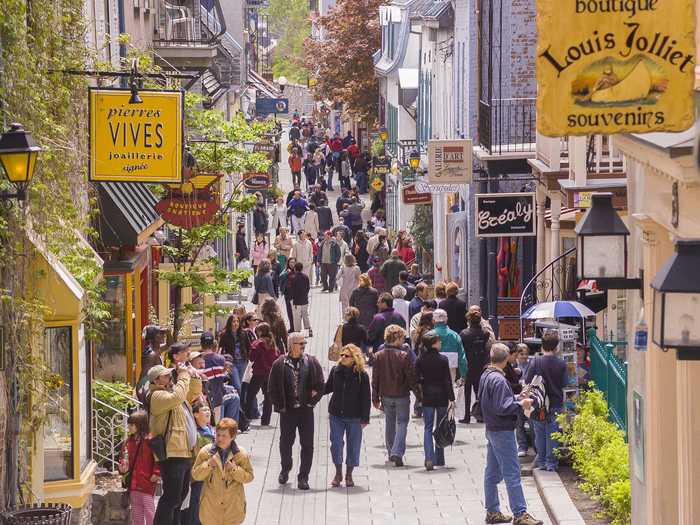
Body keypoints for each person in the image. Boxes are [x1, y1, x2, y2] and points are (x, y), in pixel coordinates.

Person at [479, 344, 542, 525]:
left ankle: (492, 511)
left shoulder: (487, 375)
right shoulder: (499, 380)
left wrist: (516, 397)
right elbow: (502, 407)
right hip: (502, 430)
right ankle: (520, 514)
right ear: (506, 359)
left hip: (492, 428)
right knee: (512, 473)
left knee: (491, 473)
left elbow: (495, 402)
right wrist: (522, 403)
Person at [148, 357, 202, 525]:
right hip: (172, 453)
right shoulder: (157, 396)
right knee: (171, 497)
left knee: (180, 496)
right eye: (165, 375)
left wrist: (193, 377)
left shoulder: (173, 393)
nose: (169, 377)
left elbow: (192, 394)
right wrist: (184, 376)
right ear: (156, 380)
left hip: (185, 451)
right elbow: (179, 395)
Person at [268, 333, 325, 490]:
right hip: (288, 411)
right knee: (285, 443)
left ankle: (303, 477)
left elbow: (320, 384)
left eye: (304, 343)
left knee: (307, 444)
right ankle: (285, 468)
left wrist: (313, 401)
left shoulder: (311, 361)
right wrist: (279, 405)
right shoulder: (280, 363)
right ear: (291, 344)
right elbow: (272, 387)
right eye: (300, 343)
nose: (303, 346)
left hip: (306, 411)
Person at [191, 418, 254, 525]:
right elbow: (195, 475)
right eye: (218, 435)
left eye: (224, 436)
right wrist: (208, 465)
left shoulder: (241, 454)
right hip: (210, 508)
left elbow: (249, 476)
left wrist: (235, 469)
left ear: (233, 437)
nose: (220, 438)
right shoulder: (206, 452)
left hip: (232, 508)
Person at [324, 344, 371, 487]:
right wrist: (313, 390)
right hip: (336, 414)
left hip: (355, 416)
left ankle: (349, 474)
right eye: (342, 355)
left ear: (355, 358)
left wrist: (365, 418)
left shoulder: (362, 375)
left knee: (353, 446)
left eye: (346, 356)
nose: (343, 357)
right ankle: (338, 473)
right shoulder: (335, 371)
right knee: (336, 444)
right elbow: (328, 388)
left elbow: (366, 397)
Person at [371, 325, 417, 467]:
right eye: (402, 338)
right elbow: (411, 377)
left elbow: (375, 378)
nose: (404, 341)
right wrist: (418, 394)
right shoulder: (404, 356)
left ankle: (391, 451)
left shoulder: (378, 355)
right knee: (402, 422)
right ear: (396, 338)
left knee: (389, 422)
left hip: (386, 395)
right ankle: (397, 452)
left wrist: (375, 397)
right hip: (401, 394)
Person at [524, 330, 567, 472]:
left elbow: (527, 380)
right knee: (552, 434)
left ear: (542, 345)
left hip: (538, 404)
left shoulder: (535, 361)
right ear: (556, 347)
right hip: (555, 403)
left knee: (539, 433)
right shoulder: (561, 363)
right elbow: (564, 383)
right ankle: (551, 463)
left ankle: (541, 461)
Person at [415, 331, 455, 470]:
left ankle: (429, 458)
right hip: (442, 395)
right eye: (439, 341)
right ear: (433, 344)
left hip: (427, 396)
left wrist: (421, 389)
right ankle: (439, 458)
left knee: (427, 428)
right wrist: (452, 398)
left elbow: (416, 378)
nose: (441, 343)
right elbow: (447, 380)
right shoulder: (443, 359)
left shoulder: (420, 359)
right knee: (440, 427)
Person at [119, 411, 159, 525]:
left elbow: (158, 459)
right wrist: (122, 468)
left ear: (140, 425)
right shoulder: (128, 442)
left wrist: (156, 473)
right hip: (133, 483)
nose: (129, 427)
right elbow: (123, 458)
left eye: (132, 425)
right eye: (129, 424)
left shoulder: (150, 440)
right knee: (136, 512)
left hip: (147, 482)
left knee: (149, 511)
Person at [458, 307, 493, 423]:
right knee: (479, 390)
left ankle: (467, 415)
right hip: (481, 363)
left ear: (469, 321)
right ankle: (480, 414)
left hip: (468, 363)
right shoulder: (485, 333)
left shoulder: (464, 334)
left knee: (467, 391)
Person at [182, 402, 214, 525]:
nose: (208, 412)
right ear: (195, 414)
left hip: (211, 475)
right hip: (199, 475)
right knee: (196, 506)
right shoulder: (195, 433)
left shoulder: (212, 430)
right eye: (204, 410)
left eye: (208, 409)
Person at [246, 322, 280, 426]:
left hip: (259, 372)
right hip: (270, 373)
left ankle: (246, 418)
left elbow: (252, 357)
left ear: (260, 332)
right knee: (268, 397)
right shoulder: (272, 343)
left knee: (250, 395)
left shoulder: (258, 343)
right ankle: (266, 421)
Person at [432, 309, 467, 382]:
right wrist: (463, 374)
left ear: (433, 320)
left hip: (433, 369)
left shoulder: (429, 335)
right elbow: (462, 357)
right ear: (446, 320)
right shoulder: (454, 335)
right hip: (450, 369)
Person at [200, 331, 227, 422]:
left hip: (203, 398)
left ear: (201, 344)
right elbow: (224, 377)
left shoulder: (198, 359)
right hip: (218, 395)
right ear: (213, 344)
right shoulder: (221, 359)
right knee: (217, 422)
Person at [515, 344, 533, 457]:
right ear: (517, 354)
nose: (524, 356)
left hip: (528, 397)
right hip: (518, 397)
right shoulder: (512, 365)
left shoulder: (531, 365)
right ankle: (522, 446)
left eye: (526, 354)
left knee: (531, 422)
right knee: (519, 424)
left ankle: (535, 446)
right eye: (522, 354)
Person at [219, 316, 244, 389]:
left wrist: (247, 357)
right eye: (234, 321)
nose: (236, 323)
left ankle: (240, 400)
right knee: (237, 385)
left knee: (242, 384)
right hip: (232, 363)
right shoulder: (224, 335)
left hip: (243, 362)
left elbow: (248, 347)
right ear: (230, 323)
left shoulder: (243, 333)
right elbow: (221, 349)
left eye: (237, 321)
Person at [290, 261, 312, 337]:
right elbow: (308, 287)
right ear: (302, 268)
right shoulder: (306, 277)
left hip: (296, 301)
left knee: (297, 318)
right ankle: (308, 330)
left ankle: (297, 332)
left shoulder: (293, 278)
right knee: (305, 315)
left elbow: (291, 290)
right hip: (304, 300)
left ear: (295, 269)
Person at [279, 258, 297, 332]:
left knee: (296, 312)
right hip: (288, 294)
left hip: (296, 294)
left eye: (293, 262)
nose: (292, 264)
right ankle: (292, 327)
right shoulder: (286, 270)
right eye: (290, 262)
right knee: (289, 311)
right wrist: (287, 273)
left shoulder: (297, 271)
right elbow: (281, 276)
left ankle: (296, 327)